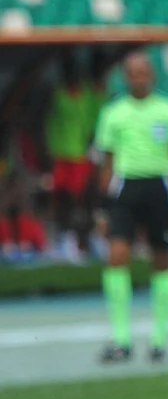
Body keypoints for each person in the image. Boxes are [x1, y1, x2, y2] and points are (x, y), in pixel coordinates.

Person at [95, 52, 168, 363]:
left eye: (143, 73)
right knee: (116, 256)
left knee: (162, 257)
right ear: (126, 77)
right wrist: (102, 208)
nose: (138, 79)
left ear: (151, 76)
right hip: (125, 187)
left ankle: (159, 339)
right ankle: (121, 339)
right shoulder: (113, 114)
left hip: (160, 187)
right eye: (132, 74)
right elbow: (106, 163)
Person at [45, 59, 105, 261]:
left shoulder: (88, 96)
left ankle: (88, 237)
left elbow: (93, 118)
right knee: (64, 200)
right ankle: (65, 238)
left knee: (86, 197)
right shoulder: (59, 96)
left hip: (80, 154)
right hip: (61, 155)